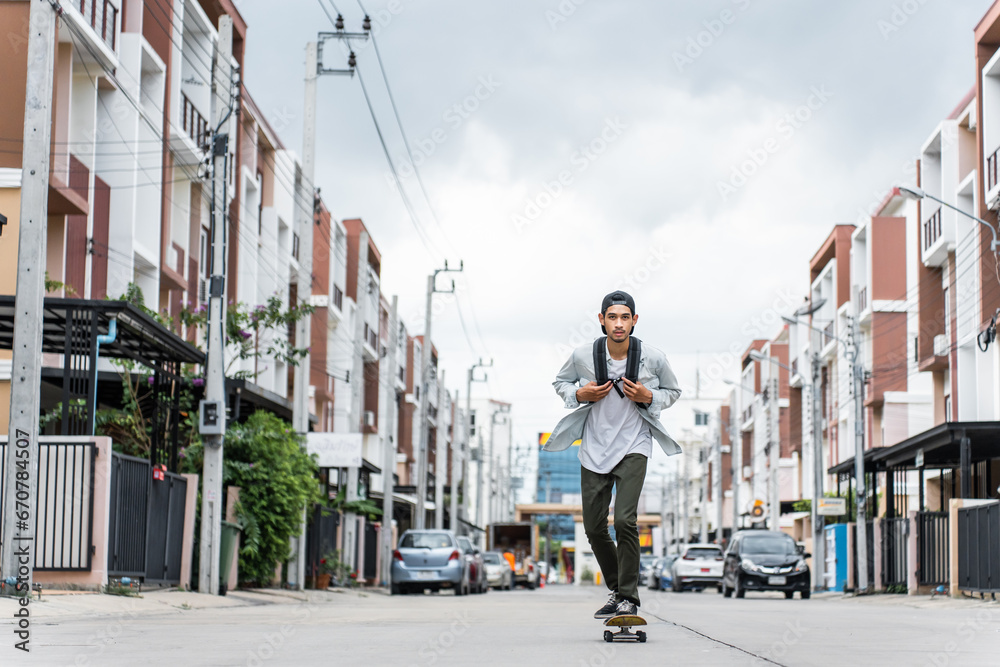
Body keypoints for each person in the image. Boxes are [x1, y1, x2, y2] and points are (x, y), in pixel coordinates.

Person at [546, 291, 682, 619]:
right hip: (593, 447)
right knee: (593, 528)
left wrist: (650, 396)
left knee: (624, 520)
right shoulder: (582, 355)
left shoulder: (653, 358)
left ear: (634, 320)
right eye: (612, 317)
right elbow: (560, 382)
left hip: (634, 445)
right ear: (602, 320)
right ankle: (618, 588)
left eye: (625, 317)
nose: (618, 324)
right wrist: (579, 393)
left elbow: (673, 391)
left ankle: (629, 598)